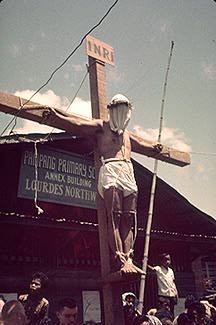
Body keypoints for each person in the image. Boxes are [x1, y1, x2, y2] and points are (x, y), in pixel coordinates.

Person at [44, 94, 162, 274]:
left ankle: (129, 257)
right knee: (114, 215)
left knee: (129, 218)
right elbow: (77, 123)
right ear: (112, 110)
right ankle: (120, 259)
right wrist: (56, 117)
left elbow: (145, 145)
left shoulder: (127, 135)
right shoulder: (101, 126)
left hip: (128, 172)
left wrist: (155, 147)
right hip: (111, 170)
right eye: (119, 109)